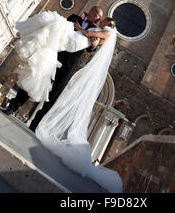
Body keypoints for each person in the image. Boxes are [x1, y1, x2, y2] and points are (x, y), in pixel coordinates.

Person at [35, 17, 123, 193]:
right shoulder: (106, 33)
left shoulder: (110, 32)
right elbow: (94, 36)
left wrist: (80, 29)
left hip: (95, 68)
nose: (101, 21)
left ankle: (75, 151)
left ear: (108, 23)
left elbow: (91, 32)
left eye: (104, 19)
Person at [3, 6, 103, 117]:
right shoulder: (74, 17)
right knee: (37, 76)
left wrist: (93, 47)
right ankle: (13, 106)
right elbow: (59, 29)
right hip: (55, 54)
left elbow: (89, 48)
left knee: (56, 91)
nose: (98, 17)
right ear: (91, 12)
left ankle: (38, 122)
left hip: (70, 64)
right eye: (97, 14)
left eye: (99, 16)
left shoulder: (94, 30)